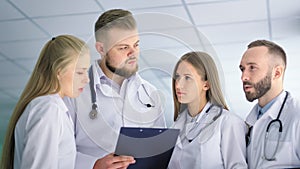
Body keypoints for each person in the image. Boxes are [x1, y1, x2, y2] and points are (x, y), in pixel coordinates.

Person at [63, 9, 166, 169]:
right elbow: (60, 152)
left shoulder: (150, 93)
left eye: (136, 45)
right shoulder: (73, 92)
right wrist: (93, 165)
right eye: (123, 47)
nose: (133, 53)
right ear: (101, 49)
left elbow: (159, 150)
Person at [0, 35, 90, 169]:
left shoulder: (53, 108)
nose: (87, 79)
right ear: (58, 72)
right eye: (80, 72)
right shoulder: (49, 109)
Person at [168, 51, 247, 169]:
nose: (178, 85)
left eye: (187, 78)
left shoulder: (228, 122)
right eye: (177, 77)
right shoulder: (176, 127)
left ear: (206, 84)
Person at [239, 39, 300, 168]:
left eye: (252, 68)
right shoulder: (248, 122)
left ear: (277, 73)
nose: (244, 77)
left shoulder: (297, 115)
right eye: (242, 69)